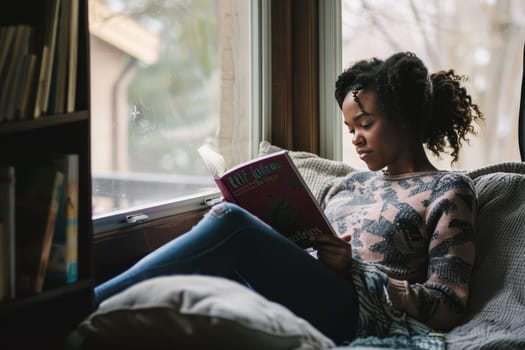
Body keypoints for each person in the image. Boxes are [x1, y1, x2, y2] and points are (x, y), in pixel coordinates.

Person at [94, 51, 483, 345]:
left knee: (229, 222)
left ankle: (78, 308)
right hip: (303, 287)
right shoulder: (348, 186)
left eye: (365, 124)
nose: (356, 139)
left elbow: (448, 304)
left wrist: (359, 273)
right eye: (349, 129)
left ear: (404, 118)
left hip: (360, 314)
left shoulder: (447, 189)